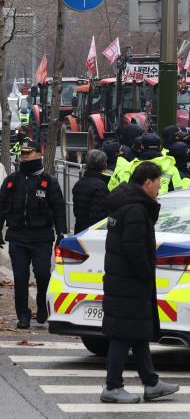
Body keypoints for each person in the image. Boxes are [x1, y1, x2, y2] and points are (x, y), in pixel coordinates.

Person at [100, 162, 179, 404]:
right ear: (147, 183)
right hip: (130, 283)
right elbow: (133, 249)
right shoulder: (135, 209)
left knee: (138, 333)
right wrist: (146, 275)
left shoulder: (126, 205)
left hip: (122, 281)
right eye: (158, 183)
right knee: (123, 335)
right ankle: (113, 386)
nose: (159, 188)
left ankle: (151, 383)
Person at [0, 141, 67, 328]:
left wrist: (61, 233)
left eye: (28, 153)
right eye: (22, 153)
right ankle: (23, 314)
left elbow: (59, 209)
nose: (23, 156)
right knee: (20, 278)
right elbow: (2, 207)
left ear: (39, 153)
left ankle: (42, 308)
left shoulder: (48, 182)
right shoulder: (13, 181)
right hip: (18, 237)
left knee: (43, 275)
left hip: (41, 238)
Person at [72, 150, 110, 233]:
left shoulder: (79, 183)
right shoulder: (100, 186)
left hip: (79, 229)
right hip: (92, 233)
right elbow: (98, 217)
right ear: (104, 165)